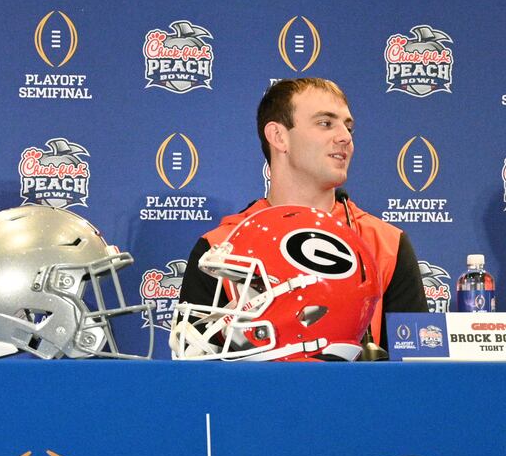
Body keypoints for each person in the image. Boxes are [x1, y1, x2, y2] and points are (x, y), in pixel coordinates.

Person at [178, 77, 426, 351]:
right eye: (325, 123)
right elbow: (195, 372)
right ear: (279, 136)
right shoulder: (219, 248)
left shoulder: (386, 244)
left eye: (348, 126)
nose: (345, 137)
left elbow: (413, 373)